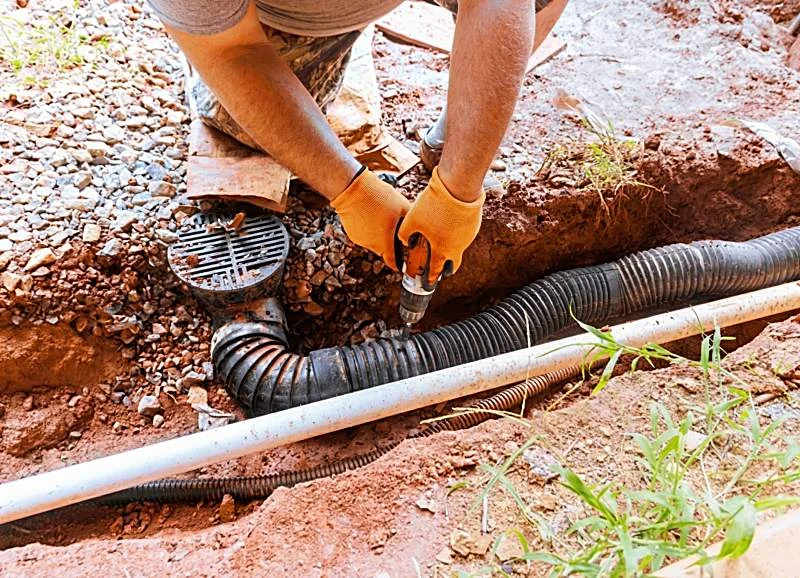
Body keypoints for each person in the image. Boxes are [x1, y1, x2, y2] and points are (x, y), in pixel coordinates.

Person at [147, 0, 567, 284]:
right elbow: (231, 51)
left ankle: (448, 136)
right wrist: (351, 191)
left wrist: (459, 185)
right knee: (242, 126)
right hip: (289, 14)